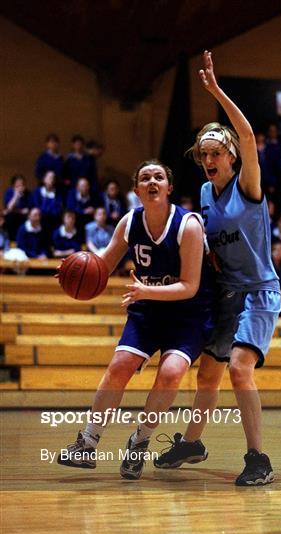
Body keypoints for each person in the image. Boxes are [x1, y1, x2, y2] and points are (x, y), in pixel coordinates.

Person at [154, 51, 281, 486]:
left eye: (214, 152)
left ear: (230, 155)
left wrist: (213, 91)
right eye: (202, 153)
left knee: (239, 368)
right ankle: (192, 442)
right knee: (208, 372)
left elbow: (246, 134)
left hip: (259, 290)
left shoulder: (248, 185)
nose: (207, 159)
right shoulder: (206, 195)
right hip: (226, 292)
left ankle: (257, 459)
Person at [57, 159, 215, 479]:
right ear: (137, 190)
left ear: (169, 188)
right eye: (145, 178)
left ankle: (139, 441)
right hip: (149, 310)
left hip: (188, 314)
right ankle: (87, 442)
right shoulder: (130, 222)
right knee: (119, 365)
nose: (152, 181)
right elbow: (102, 264)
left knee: (170, 373)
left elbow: (190, 286)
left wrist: (146, 291)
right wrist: (74, 268)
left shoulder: (189, 225)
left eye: (159, 176)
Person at [3, 175, 31, 240]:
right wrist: (16, 196)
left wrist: (16, 210)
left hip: (23, 218)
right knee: (10, 216)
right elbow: (9, 208)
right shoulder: (9, 192)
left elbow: (28, 209)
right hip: (11, 217)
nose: (21, 187)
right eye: (18, 185)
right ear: (13, 186)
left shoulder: (28, 193)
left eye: (22, 185)